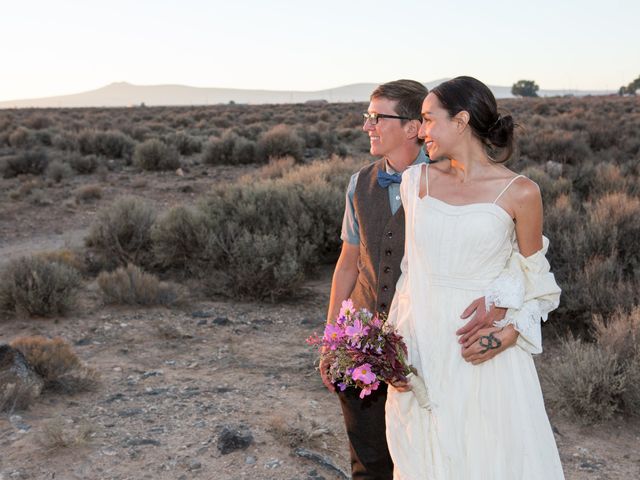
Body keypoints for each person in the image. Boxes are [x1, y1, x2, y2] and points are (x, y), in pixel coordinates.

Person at [323, 79, 516, 480]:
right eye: (367, 116)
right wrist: (332, 337)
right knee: (368, 460)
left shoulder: (448, 186)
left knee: (422, 455)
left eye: (377, 117)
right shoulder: (359, 183)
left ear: (414, 127)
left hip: (426, 345)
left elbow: (495, 261)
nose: (367, 125)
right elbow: (347, 263)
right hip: (362, 342)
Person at [385, 76, 564, 479]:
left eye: (429, 119)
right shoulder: (416, 183)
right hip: (423, 349)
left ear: (461, 120)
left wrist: (509, 333)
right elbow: (409, 275)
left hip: (484, 357)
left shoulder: (521, 192)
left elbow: (539, 283)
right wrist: (392, 346)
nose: (420, 129)